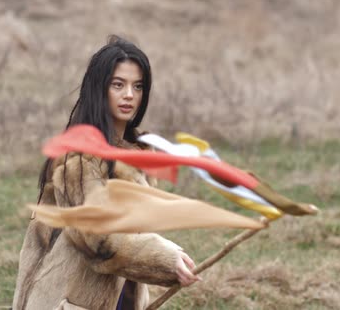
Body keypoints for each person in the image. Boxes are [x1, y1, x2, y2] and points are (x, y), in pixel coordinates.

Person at [12, 35, 200, 310]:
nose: (129, 95)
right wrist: (163, 258)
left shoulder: (136, 156)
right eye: (118, 85)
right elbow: (95, 237)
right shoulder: (79, 157)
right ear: (100, 89)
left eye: (138, 86)